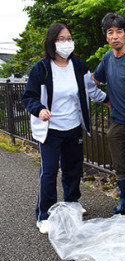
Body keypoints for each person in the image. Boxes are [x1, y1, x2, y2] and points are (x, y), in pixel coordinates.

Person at [22, 23, 109, 234]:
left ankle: (72, 203)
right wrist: (40, 109)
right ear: (52, 42)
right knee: (49, 172)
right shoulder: (41, 69)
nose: (66, 42)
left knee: (73, 169)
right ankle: (44, 214)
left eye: (69, 38)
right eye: (61, 39)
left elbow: (91, 89)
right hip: (50, 129)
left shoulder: (78, 66)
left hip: (73, 127)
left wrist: (107, 100)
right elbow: (28, 97)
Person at [92, 13, 125, 215]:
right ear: (106, 37)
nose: (115, 36)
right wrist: (104, 99)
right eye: (110, 32)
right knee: (120, 165)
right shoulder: (107, 58)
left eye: (119, 32)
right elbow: (94, 81)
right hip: (116, 121)